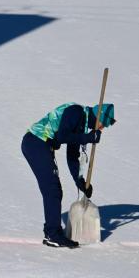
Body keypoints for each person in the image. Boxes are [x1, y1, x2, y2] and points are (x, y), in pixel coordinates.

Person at [22, 103, 116, 248]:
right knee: (52, 190)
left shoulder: (82, 125)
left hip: (41, 145)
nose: (103, 128)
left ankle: (51, 234)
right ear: (99, 116)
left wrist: (80, 182)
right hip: (36, 142)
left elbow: (72, 156)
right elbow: (62, 136)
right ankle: (53, 235)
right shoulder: (76, 111)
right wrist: (87, 138)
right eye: (104, 123)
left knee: (54, 190)